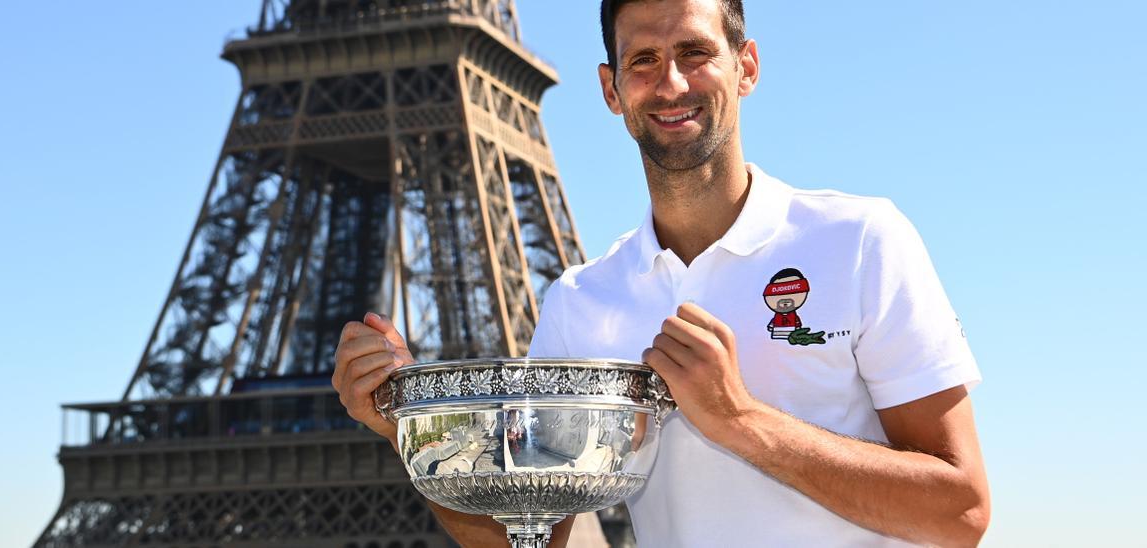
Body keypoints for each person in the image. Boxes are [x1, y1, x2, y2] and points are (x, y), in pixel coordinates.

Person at [333, 0, 991, 545]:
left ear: (747, 66)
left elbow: (961, 512)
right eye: (643, 60)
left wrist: (742, 422)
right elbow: (534, 539)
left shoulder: (861, 242)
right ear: (611, 90)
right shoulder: (580, 303)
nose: (671, 84)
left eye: (695, 53)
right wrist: (411, 432)